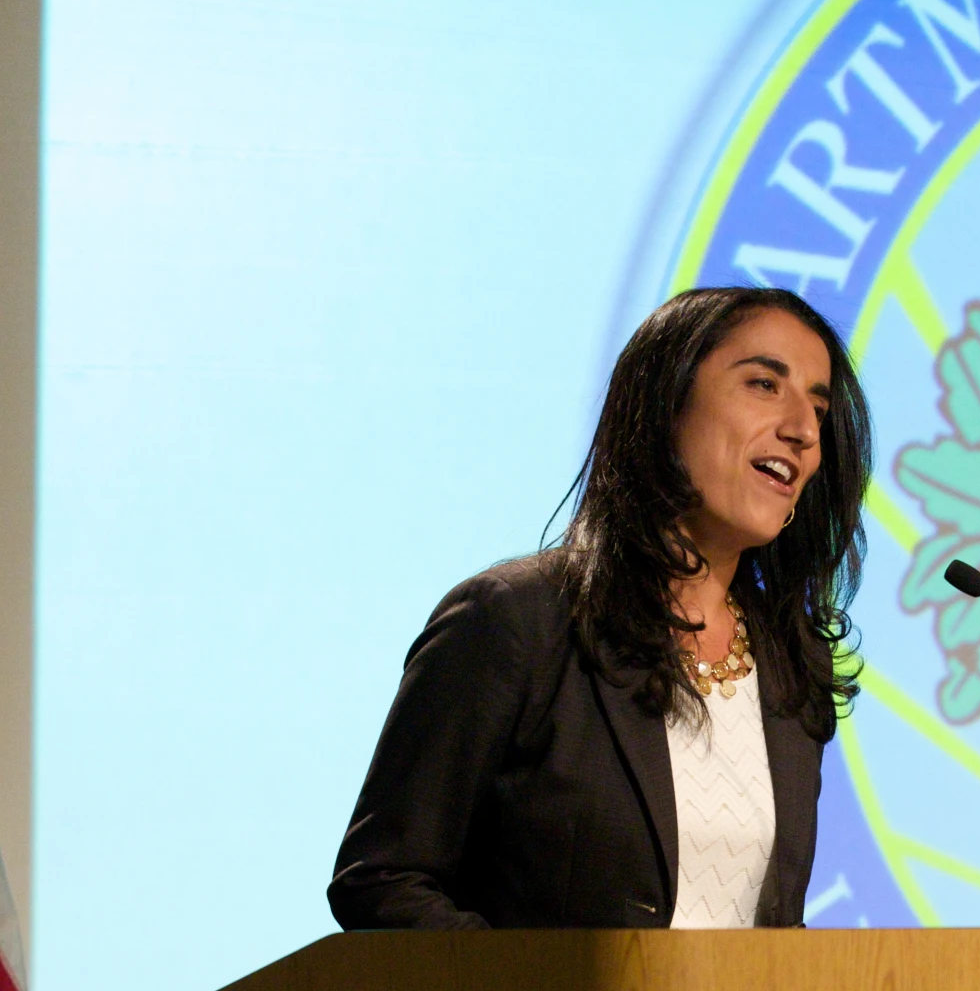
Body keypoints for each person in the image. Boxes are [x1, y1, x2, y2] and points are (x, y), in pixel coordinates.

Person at [328, 285, 872, 931]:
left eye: (818, 405)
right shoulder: (516, 622)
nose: (804, 430)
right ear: (664, 402)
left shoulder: (791, 664)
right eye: (763, 384)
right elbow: (383, 880)